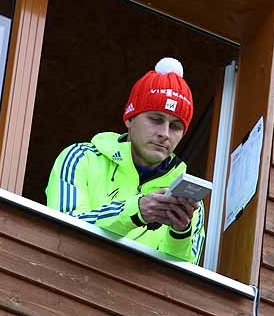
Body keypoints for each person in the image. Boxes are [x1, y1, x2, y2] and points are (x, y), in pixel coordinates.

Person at [45, 57, 205, 264]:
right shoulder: (80, 157)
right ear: (130, 118)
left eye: (175, 126)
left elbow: (182, 276)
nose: (165, 133)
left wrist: (180, 232)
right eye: (156, 119)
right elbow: (63, 231)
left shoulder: (189, 200)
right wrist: (136, 211)